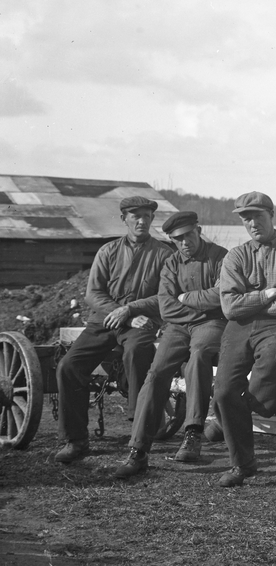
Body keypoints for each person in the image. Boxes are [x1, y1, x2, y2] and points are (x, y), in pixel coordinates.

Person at [54, 196, 174, 464]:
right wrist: (122, 314)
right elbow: (93, 293)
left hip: (142, 323)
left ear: (152, 219)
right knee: (68, 366)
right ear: (124, 219)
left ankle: (139, 434)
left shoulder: (165, 254)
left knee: (137, 353)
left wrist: (131, 310)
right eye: (135, 216)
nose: (141, 221)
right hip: (104, 321)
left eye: (146, 216)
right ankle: (76, 440)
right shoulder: (107, 251)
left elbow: (166, 296)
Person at [114, 211, 228, 479]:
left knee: (199, 355)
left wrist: (185, 298)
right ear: (173, 240)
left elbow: (221, 297)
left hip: (211, 324)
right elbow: (166, 308)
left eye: (189, 235)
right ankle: (138, 450)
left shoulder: (221, 257)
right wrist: (199, 305)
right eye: (178, 239)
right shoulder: (171, 263)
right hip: (178, 327)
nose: (184, 242)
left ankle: (193, 433)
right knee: (156, 374)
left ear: (198, 231)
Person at [210, 192, 276, 487]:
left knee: (269, 371)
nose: (252, 223)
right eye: (246, 218)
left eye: (258, 216)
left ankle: (226, 419)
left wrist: (252, 302)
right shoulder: (235, 256)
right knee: (224, 391)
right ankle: (243, 465)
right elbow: (229, 307)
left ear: (272, 215)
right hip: (238, 327)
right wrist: (266, 295)